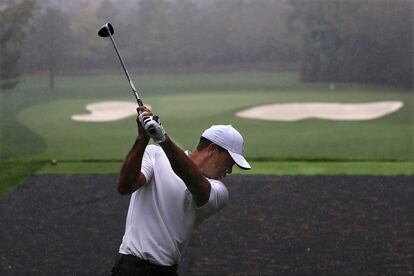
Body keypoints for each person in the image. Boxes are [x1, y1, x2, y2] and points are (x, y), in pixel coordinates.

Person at [111, 106, 251, 276]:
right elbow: (125, 186)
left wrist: (163, 139)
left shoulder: (219, 191)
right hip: (129, 267)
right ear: (213, 149)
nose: (229, 170)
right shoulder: (155, 155)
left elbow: (194, 182)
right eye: (230, 162)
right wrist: (142, 138)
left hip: (166, 271)